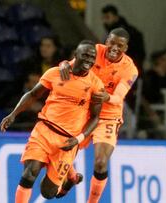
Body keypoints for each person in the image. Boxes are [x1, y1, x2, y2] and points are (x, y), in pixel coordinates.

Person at [0, 40, 105, 203]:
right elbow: (33, 94)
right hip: (44, 130)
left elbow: (95, 117)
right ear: (75, 56)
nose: (89, 60)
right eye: (85, 55)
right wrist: (14, 114)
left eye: (92, 57)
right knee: (29, 174)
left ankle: (70, 177)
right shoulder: (55, 73)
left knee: (48, 193)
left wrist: (79, 139)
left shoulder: (96, 85)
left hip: (67, 141)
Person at [58, 28, 138, 202]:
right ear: (106, 40)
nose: (114, 47)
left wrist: (107, 97)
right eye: (112, 42)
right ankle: (71, 177)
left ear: (125, 48)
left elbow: (118, 98)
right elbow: (72, 65)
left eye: (120, 45)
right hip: (84, 111)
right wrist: (63, 64)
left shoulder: (130, 69)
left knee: (101, 162)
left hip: (108, 115)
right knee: (60, 147)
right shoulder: (95, 51)